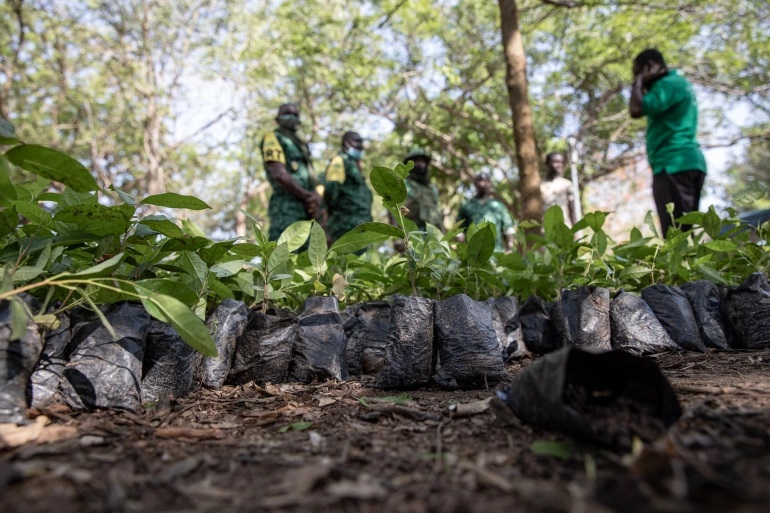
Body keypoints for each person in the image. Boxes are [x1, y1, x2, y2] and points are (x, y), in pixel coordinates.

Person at [629, 49, 707, 237]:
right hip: (687, 162)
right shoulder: (679, 83)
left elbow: (635, 109)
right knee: (685, 230)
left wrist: (638, 81)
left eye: (638, 71)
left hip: (673, 163)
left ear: (649, 67)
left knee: (675, 235)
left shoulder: (666, 85)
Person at [260, 103, 322, 241]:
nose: (292, 117)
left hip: (307, 210)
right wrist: (307, 196)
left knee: (306, 258)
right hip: (286, 207)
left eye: (296, 115)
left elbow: (312, 177)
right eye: (287, 113)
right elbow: (279, 174)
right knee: (283, 252)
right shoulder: (273, 137)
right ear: (277, 119)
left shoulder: (301, 145)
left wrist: (315, 200)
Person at [323, 131, 373, 242]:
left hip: (361, 226)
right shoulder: (340, 160)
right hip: (345, 226)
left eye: (361, 142)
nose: (360, 145)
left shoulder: (354, 165)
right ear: (345, 143)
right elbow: (331, 188)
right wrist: (335, 213)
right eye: (356, 141)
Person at [456, 172, 515, 253]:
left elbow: (508, 229)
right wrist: (462, 252)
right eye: (481, 181)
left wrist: (509, 249)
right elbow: (459, 233)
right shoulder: (466, 206)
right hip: (474, 255)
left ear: (490, 184)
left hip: (497, 252)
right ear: (475, 184)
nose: (484, 184)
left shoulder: (499, 205)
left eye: (487, 181)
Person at [402, 148, 443, 230]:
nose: (420, 164)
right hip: (412, 232)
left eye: (422, 161)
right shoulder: (403, 184)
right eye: (416, 161)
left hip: (433, 232)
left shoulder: (432, 189)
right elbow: (392, 211)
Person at [540, 152, 576, 227]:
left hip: (564, 229)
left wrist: (575, 230)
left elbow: (572, 209)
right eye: (556, 162)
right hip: (545, 230)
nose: (559, 165)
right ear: (547, 164)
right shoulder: (539, 185)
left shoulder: (567, 184)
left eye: (561, 162)